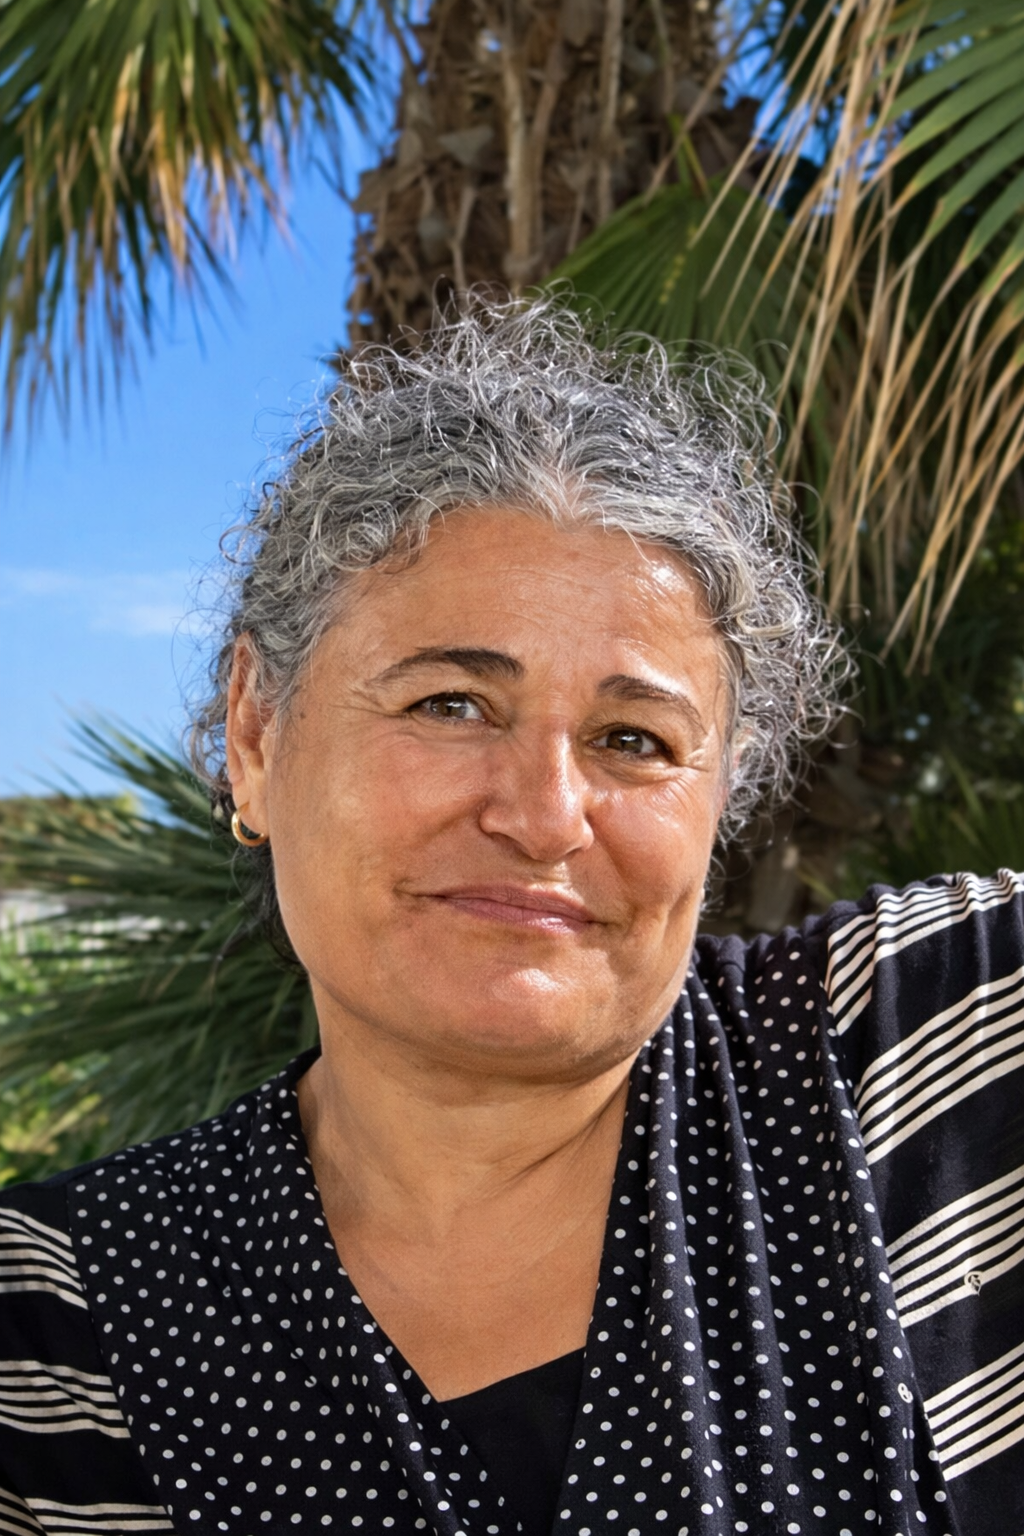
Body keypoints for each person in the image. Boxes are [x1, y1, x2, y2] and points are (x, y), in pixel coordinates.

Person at [1, 298, 1021, 1536]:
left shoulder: (935, 1048)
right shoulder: (57, 1322)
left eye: (633, 740)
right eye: (449, 705)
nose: (544, 814)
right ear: (258, 736)